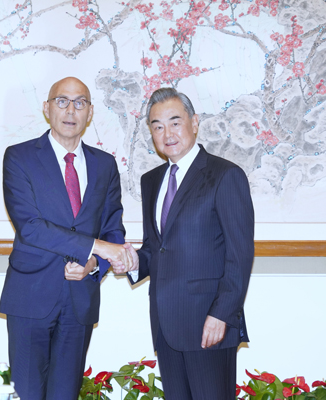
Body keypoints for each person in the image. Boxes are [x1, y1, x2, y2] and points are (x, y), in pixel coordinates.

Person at [0, 77, 130, 400]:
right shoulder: (19, 158)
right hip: (30, 297)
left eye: (80, 102)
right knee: (27, 394)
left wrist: (94, 264)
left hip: (79, 301)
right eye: (62, 101)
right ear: (46, 108)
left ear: (90, 112)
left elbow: (113, 229)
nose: (71, 110)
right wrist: (97, 246)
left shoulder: (105, 165)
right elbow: (30, 227)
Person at [118, 87, 254, 400]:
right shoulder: (151, 181)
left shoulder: (225, 175)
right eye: (157, 126)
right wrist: (135, 262)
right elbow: (157, 248)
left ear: (194, 123)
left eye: (175, 122)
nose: (167, 133)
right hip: (166, 324)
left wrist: (222, 314)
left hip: (209, 323)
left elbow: (240, 254)